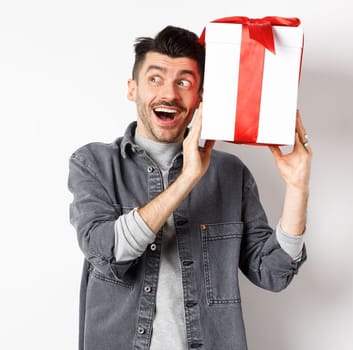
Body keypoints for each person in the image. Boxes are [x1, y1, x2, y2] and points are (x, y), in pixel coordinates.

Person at [68, 25, 311, 350]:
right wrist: (187, 179)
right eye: (155, 79)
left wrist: (297, 188)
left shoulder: (231, 173)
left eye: (184, 82)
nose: (168, 94)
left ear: (200, 97)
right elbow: (108, 254)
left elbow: (272, 273)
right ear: (132, 89)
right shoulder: (93, 163)